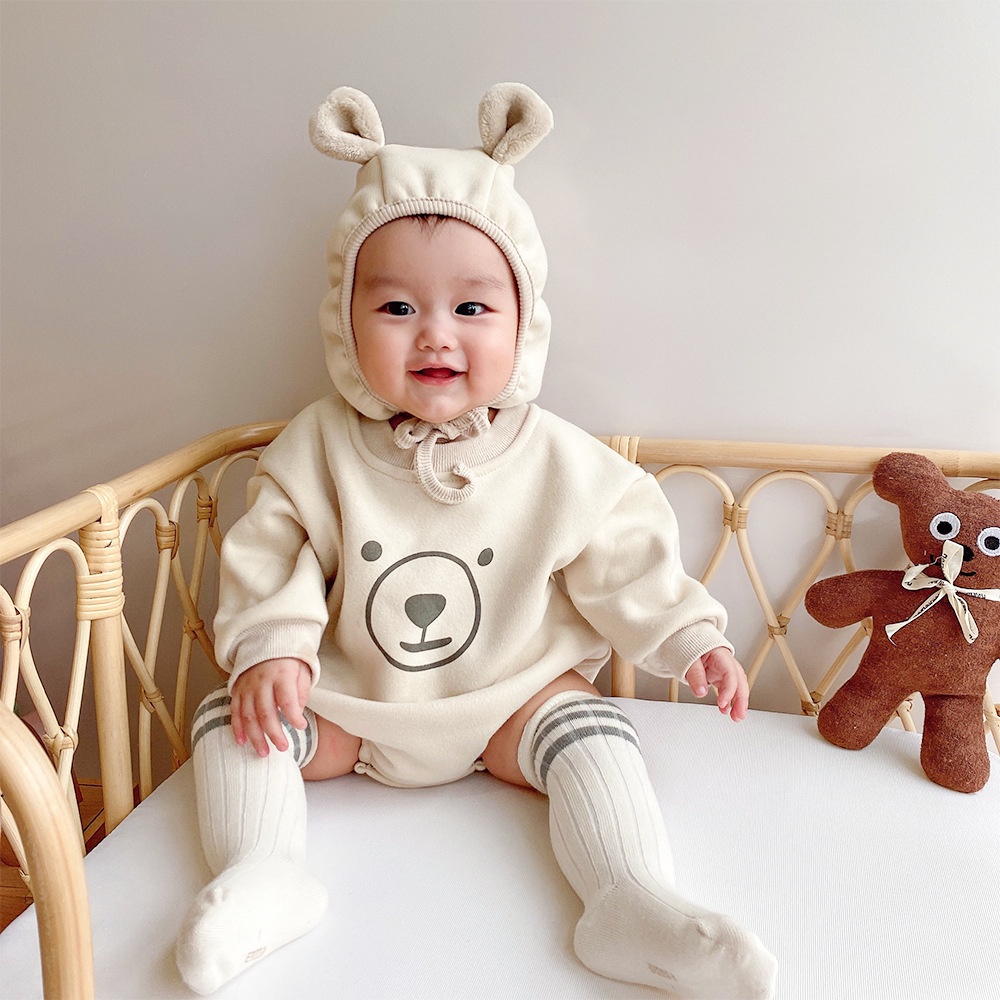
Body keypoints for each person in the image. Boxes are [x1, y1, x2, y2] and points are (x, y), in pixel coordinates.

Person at [175, 83, 777, 999]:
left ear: (523, 320)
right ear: (344, 320)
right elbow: (273, 554)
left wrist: (689, 636)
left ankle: (628, 898)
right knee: (234, 717)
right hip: (352, 712)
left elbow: (624, 555)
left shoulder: (556, 457)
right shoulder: (318, 445)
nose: (434, 336)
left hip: (508, 706)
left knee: (591, 727)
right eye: (396, 309)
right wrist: (272, 651)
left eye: (471, 309)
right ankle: (263, 873)